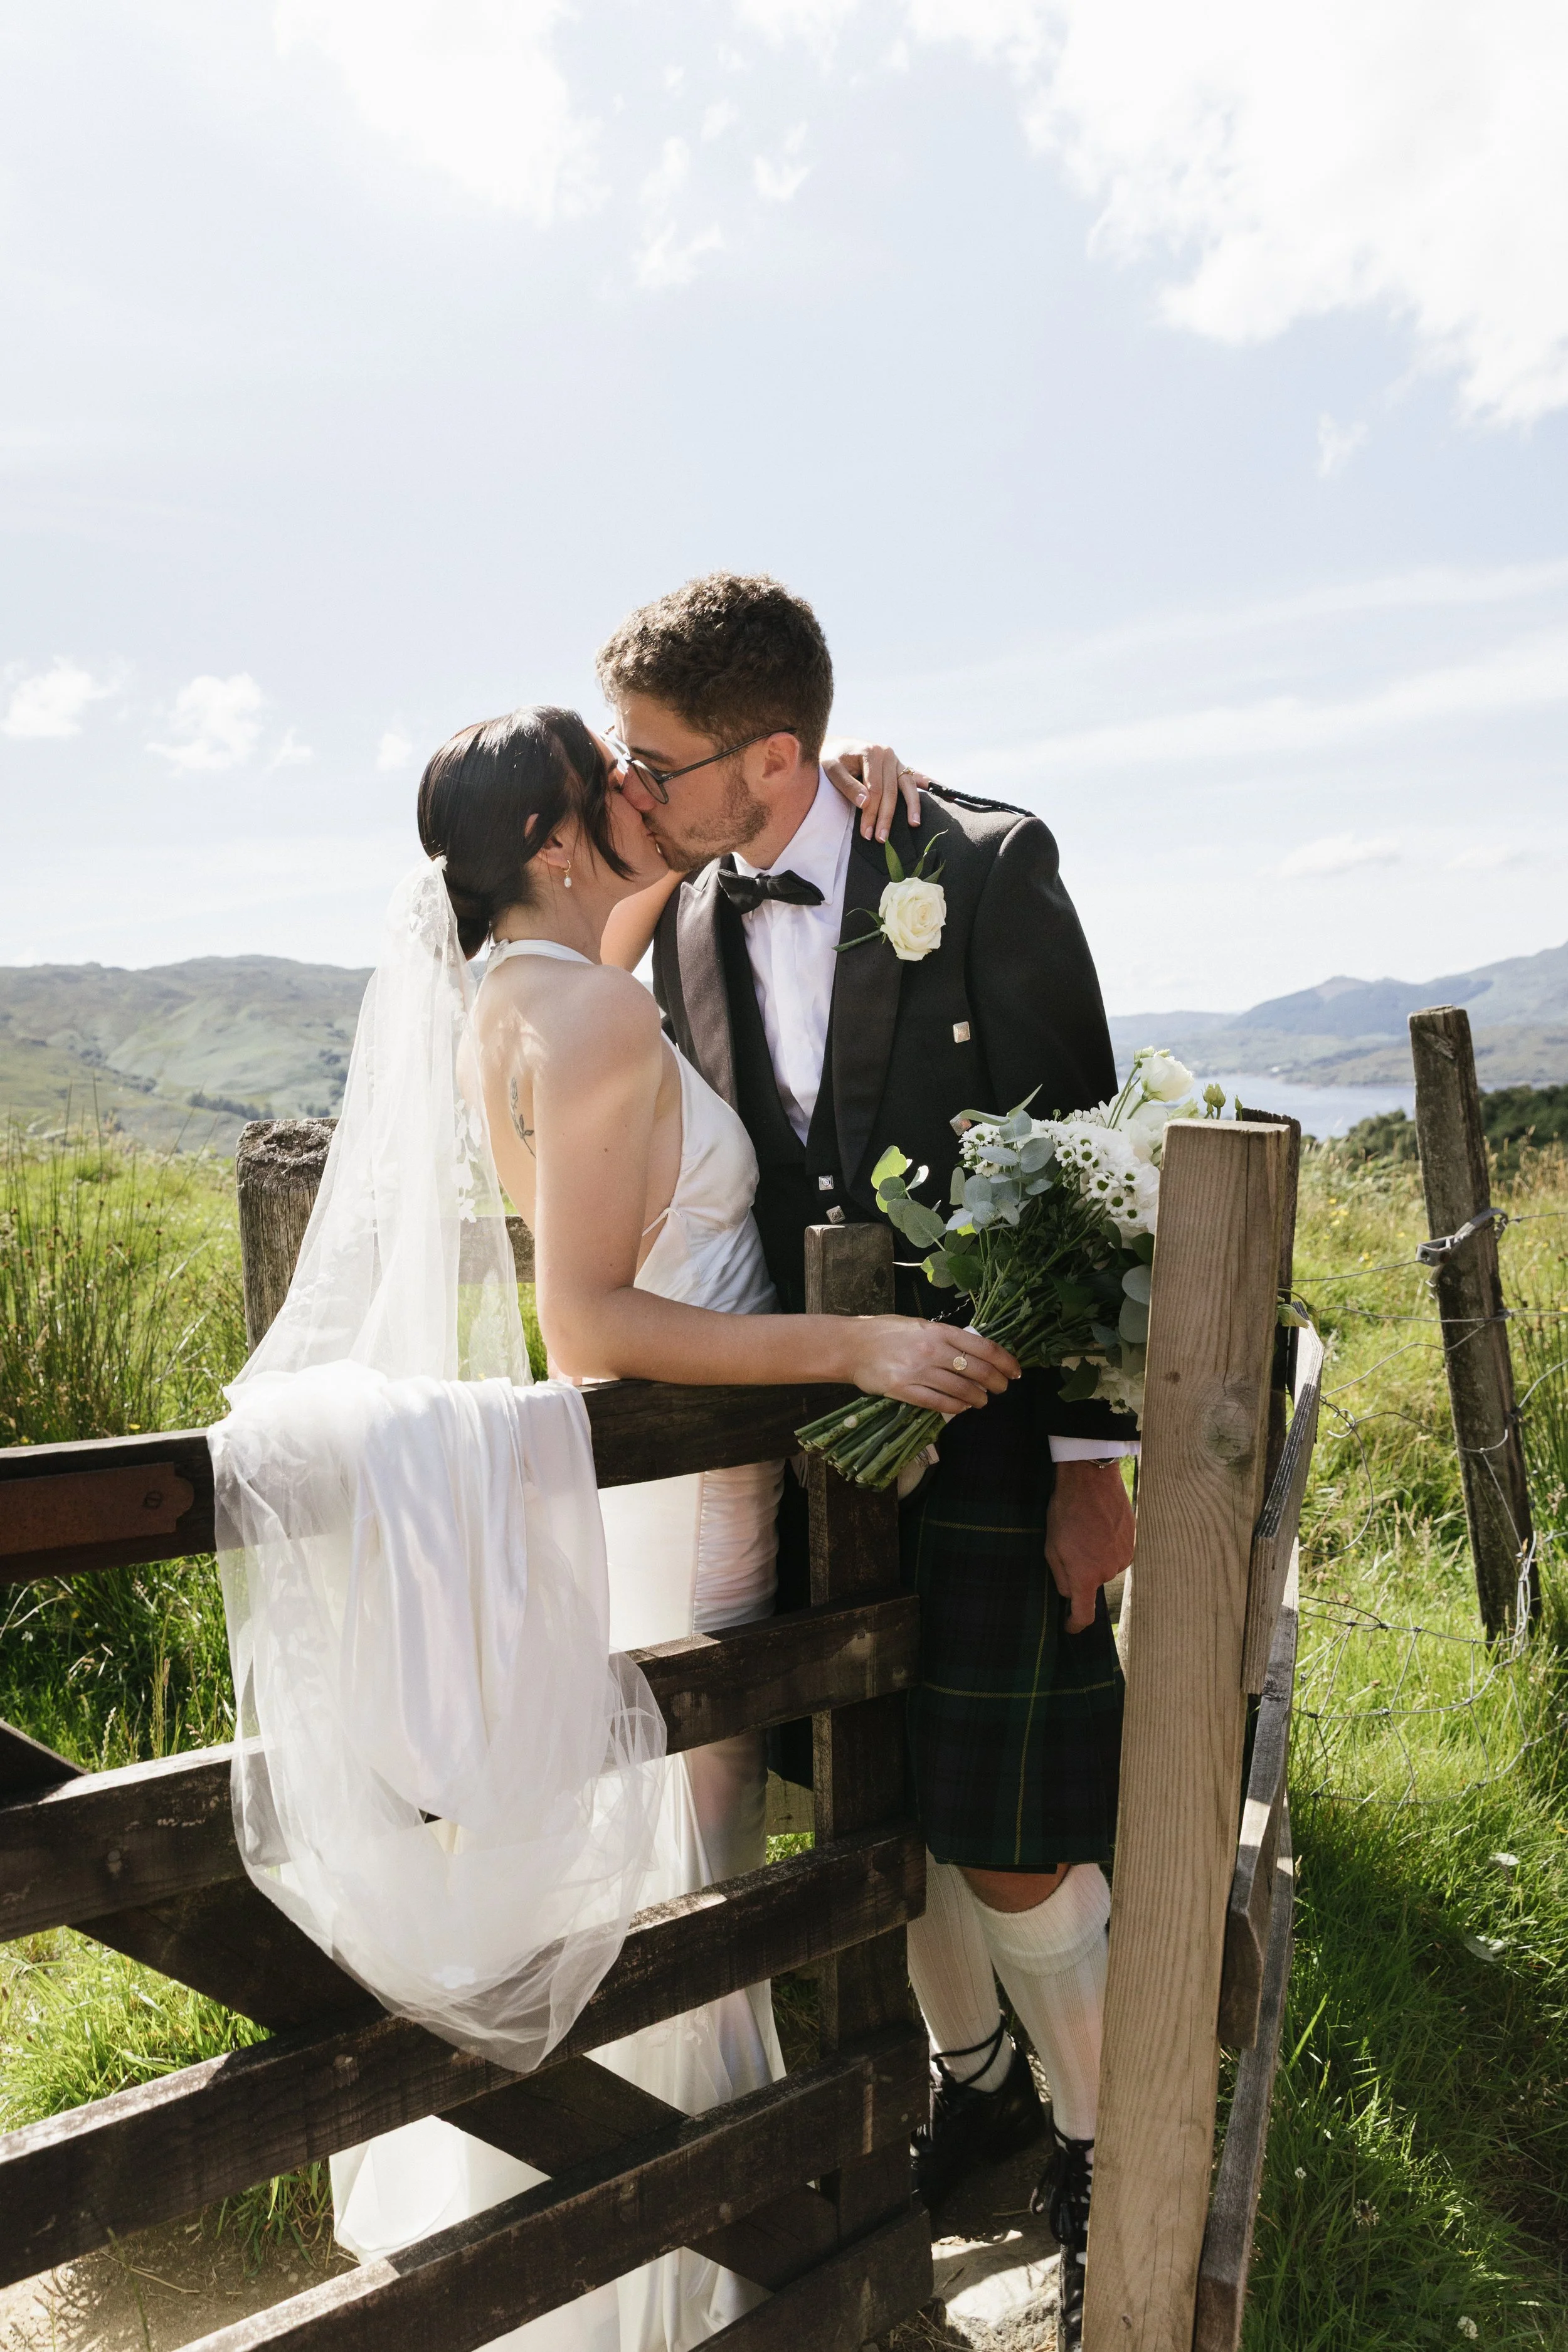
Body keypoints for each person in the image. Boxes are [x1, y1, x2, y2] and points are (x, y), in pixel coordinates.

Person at [213, 703, 1018, 2352]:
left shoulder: (532, 989)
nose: (649, 797)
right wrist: (849, 1341)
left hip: (646, 1502)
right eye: (616, 786)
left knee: (676, 1879)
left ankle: (664, 2253)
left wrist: (804, 793)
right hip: (680, 1504)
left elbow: (641, 908)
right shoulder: (581, 1017)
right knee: (683, 1886)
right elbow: (594, 1314)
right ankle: (664, 2287)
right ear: (557, 843)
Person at [594, 575, 1138, 2352]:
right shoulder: (674, 919)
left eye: (655, 760)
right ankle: (969, 2082)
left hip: (985, 1422)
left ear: (769, 756)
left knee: (1011, 1837)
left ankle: (1102, 2154)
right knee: (880, 1811)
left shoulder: (977, 867)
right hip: (811, 1445)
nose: (632, 787)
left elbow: (1087, 1168)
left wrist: (1087, 1462)